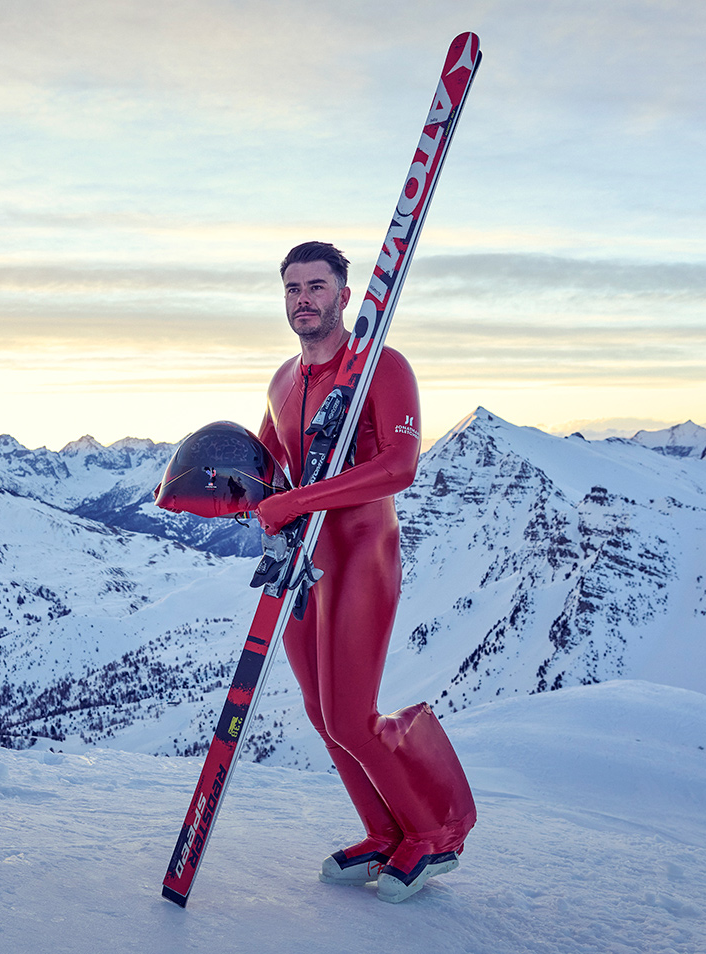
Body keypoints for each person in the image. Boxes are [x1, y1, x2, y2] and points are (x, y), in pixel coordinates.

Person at [252, 241, 477, 903]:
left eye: (316, 286)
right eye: (292, 288)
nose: (303, 299)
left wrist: (295, 501)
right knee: (323, 715)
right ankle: (382, 831)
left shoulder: (382, 368)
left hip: (363, 552)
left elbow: (400, 467)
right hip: (305, 558)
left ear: (345, 296)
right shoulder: (283, 382)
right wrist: (209, 485)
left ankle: (435, 835)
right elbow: (266, 468)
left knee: (352, 715)